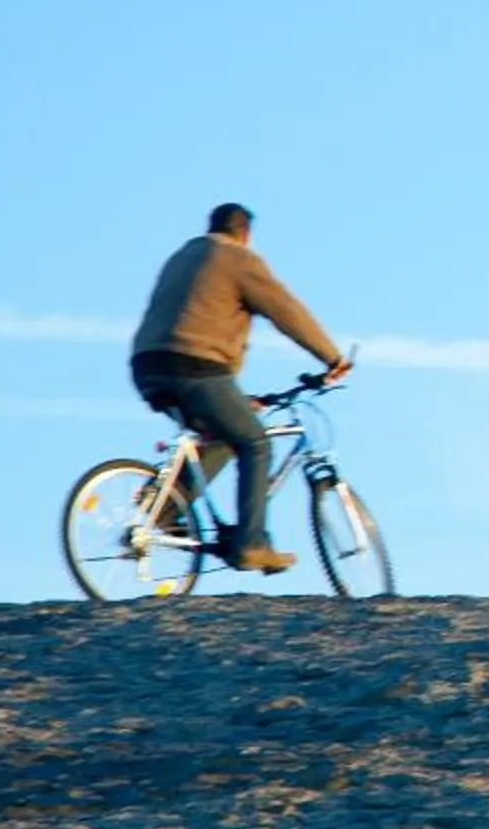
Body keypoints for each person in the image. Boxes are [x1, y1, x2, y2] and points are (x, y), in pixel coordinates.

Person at [129, 203, 346, 573]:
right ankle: (251, 544)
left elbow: (195, 315)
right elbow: (285, 310)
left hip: (148, 365)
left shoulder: (182, 256)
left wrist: (238, 399)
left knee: (222, 432)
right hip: (195, 365)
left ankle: (165, 511)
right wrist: (331, 358)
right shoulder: (237, 258)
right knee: (256, 444)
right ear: (245, 233)